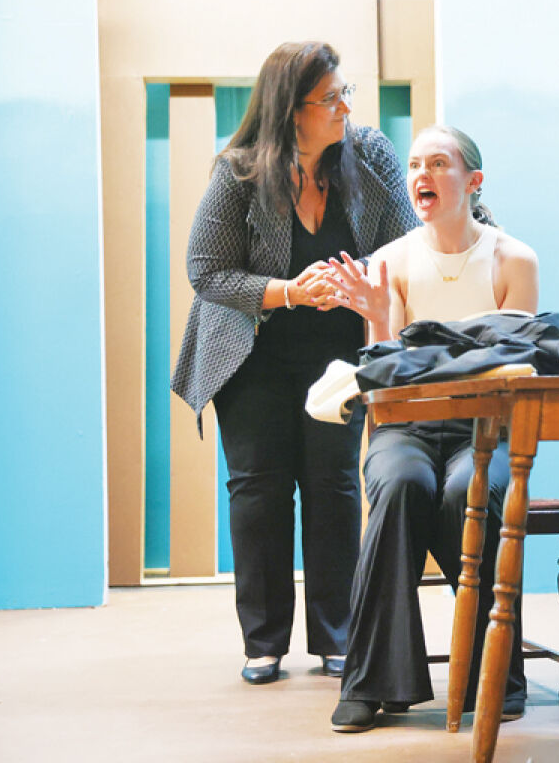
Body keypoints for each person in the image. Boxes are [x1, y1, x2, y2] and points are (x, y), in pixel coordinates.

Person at [171, 41, 416, 686]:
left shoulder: (369, 155)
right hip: (252, 353)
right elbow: (206, 271)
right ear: (291, 110)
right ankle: (264, 643)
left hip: (338, 357)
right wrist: (287, 291)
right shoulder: (242, 170)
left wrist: (365, 280)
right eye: (329, 97)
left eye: (344, 94)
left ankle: (337, 639)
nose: (343, 107)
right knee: (259, 492)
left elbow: (405, 243)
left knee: (334, 489)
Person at [321, 125, 539, 732]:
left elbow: (515, 367)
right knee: (397, 489)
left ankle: (495, 670)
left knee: (463, 492)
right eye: (415, 163)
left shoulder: (512, 258)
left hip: (485, 429)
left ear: (472, 181)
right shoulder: (389, 260)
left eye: (438, 163)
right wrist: (376, 319)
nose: (421, 174)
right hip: (407, 427)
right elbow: (389, 377)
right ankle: (371, 682)